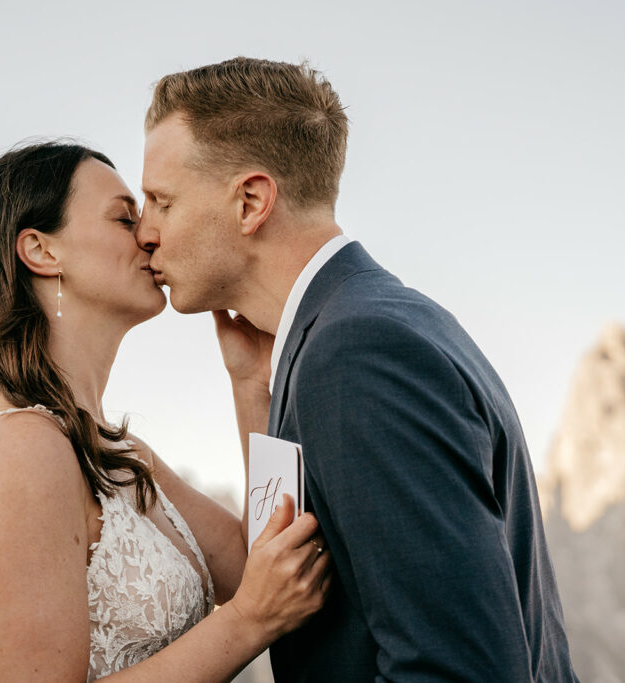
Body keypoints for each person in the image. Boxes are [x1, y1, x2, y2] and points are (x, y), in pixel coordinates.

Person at [138, 57, 580, 681]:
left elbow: (457, 668)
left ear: (251, 202)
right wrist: (254, 392)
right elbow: (305, 563)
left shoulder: (357, 352)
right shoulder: (361, 324)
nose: (145, 231)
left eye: (161, 200)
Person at [0, 141, 331, 681]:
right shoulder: (15, 446)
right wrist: (246, 623)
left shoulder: (120, 452)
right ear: (42, 251)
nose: (150, 235)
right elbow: (256, 602)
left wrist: (250, 386)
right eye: (124, 217)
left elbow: (272, 560)